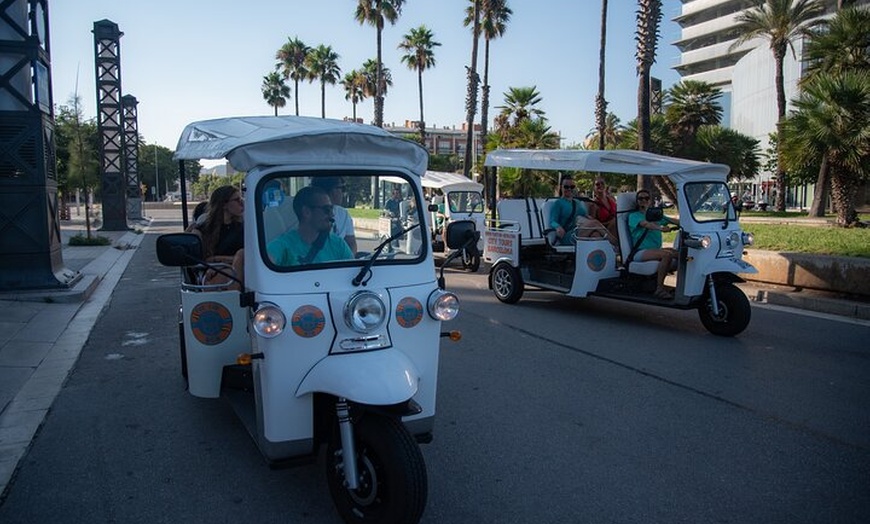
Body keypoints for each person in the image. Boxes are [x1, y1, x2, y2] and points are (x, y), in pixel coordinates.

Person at [267, 185, 354, 266]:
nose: (332, 214)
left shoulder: (338, 244)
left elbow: (351, 272)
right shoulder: (283, 245)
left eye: (332, 209)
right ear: (306, 212)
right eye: (326, 209)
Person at [628, 189, 680, 299]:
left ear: (650, 200)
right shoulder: (634, 216)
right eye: (640, 198)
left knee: (681, 254)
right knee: (667, 255)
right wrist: (660, 228)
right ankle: (660, 289)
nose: (643, 200)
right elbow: (646, 224)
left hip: (655, 250)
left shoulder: (655, 215)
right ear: (637, 201)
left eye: (646, 198)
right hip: (640, 252)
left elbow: (673, 220)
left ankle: (682, 287)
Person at [191, 185, 245, 289]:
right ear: (224, 204)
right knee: (225, 276)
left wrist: (218, 260)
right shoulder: (203, 230)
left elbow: (248, 257)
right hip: (211, 274)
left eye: (241, 198)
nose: (241, 203)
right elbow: (199, 260)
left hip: (240, 272)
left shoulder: (244, 228)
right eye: (237, 200)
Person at [312, 176, 357, 253]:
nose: (343, 193)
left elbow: (351, 243)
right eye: (342, 188)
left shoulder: (343, 214)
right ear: (330, 190)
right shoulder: (310, 214)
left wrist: (347, 261)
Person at [549, 175, 589, 245]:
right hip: (568, 236)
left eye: (572, 187)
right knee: (594, 225)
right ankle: (614, 242)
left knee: (595, 233)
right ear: (561, 187)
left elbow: (585, 216)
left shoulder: (578, 202)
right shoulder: (558, 203)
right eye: (566, 187)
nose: (569, 189)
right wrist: (558, 227)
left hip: (581, 231)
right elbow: (552, 221)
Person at [588, 177, 619, 245]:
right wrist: (610, 222)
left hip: (617, 227)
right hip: (605, 230)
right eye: (597, 184)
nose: (600, 185)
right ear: (594, 188)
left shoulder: (612, 199)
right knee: (614, 222)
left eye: (602, 183)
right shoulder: (593, 204)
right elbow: (593, 224)